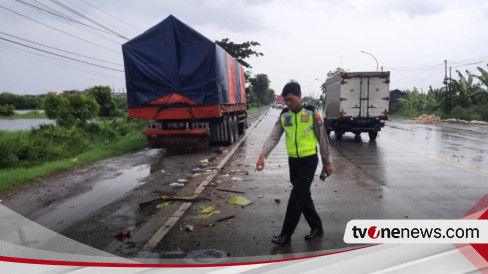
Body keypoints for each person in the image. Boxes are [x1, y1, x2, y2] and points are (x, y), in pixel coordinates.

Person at [255, 80, 333, 245]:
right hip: (293, 162)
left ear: (299, 96)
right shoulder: (284, 115)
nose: (288, 103)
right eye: (286, 101)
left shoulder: (312, 113)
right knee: (303, 196)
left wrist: (327, 162)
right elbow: (274, 135)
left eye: (291, 99)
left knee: (297, 196)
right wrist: (263, 154)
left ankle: (285, 234)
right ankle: (317, 228)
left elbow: (323, 138)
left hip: (309, 160)